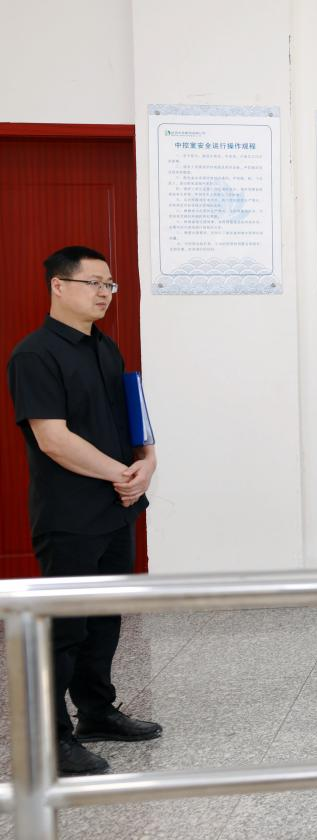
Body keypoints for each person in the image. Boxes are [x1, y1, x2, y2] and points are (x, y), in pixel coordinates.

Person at [6, 246, 162, 776]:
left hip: (116, 509)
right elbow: (53, 439)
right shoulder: (35, 355)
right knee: (66, 629)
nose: (104, 293)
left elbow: (130, 415)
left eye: (109, 284)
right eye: (93, 283)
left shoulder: (105, 346)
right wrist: (122, 473)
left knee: (104, 619)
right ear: (58, 285)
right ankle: (52, 740)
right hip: (70, 515)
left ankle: (96, 711)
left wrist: (147, 461)